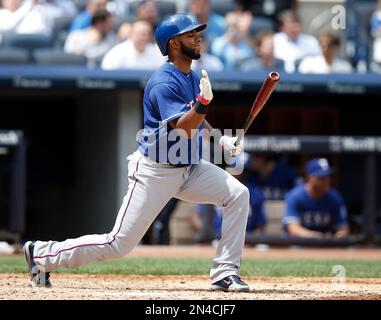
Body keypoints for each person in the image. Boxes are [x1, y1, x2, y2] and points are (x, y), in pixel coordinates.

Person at [24, 13, 251, 292]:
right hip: (155, 172)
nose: (198, 37)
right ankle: (40, 254)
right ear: (173, 44)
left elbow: (195, 116)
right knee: (117, 244)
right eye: (190, 34)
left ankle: (224, 272)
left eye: (197, 33)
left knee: (238, 193)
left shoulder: (190, 75)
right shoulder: (163, 82)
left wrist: (219, 140)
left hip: (189, 167)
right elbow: (182, 128)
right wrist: (203, 104)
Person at [283, 158, 349, 238]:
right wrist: (318, 237)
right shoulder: (295, 196)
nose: (326, 181)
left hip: (325, 246)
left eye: (328, 177)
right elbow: (293, 229)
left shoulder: (334, 198)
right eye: (322, 178)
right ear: (310, 178)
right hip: (298, 245)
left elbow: (343, 229)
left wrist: (337, 237)